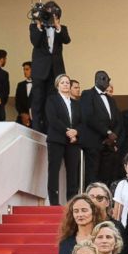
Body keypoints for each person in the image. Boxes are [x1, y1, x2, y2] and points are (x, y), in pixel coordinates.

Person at [28, 3, 70, 132]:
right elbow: (35, 42)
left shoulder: (62, 28)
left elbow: (67, 40)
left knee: (52, 102)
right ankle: (36, 130)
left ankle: (51, 130)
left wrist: (57, 27)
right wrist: (40, 24)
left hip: (56, 71)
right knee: (38, 102)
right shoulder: (34, 26)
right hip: (40, 71)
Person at [78, 71, 120, 186]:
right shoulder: (87, 94)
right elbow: (88, 117)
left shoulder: (111, 100)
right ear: (96, 80)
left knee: (106, 175)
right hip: (93, 142)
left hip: (108, 144)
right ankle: (90, 202)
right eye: (104, 78)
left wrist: (113, 136)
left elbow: (117, 120)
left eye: (108, 79)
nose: (107, 81)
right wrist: (107, 132)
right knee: (92, 175)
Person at [45, 74, 81, 205]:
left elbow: (82, 122)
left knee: (73, 172)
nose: (66, 84)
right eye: (62, 83)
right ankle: (54, 202)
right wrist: (68, 132)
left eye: (67, 82)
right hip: (57, 139)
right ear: (57, 86)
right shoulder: (52, 100)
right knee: (54, 170)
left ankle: (72, 202)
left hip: (73, 142)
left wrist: (76, 132)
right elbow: (53, 119)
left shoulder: (77, 104)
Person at [15, 62, 34, 126]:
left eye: (27, 69)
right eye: (24, 69)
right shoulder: (20, 85)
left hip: (36, 118)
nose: (25, 72)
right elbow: (17, 102)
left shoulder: (40, 85)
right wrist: (23, 114)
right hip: (22, 117)